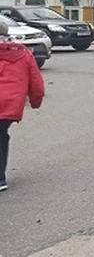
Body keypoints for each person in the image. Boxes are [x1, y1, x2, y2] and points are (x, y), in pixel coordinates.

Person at [0, 21, 45, 192]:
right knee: (1, 135)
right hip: (11, 105)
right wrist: (35, 101)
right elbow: (36, 83)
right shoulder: (23, 53)